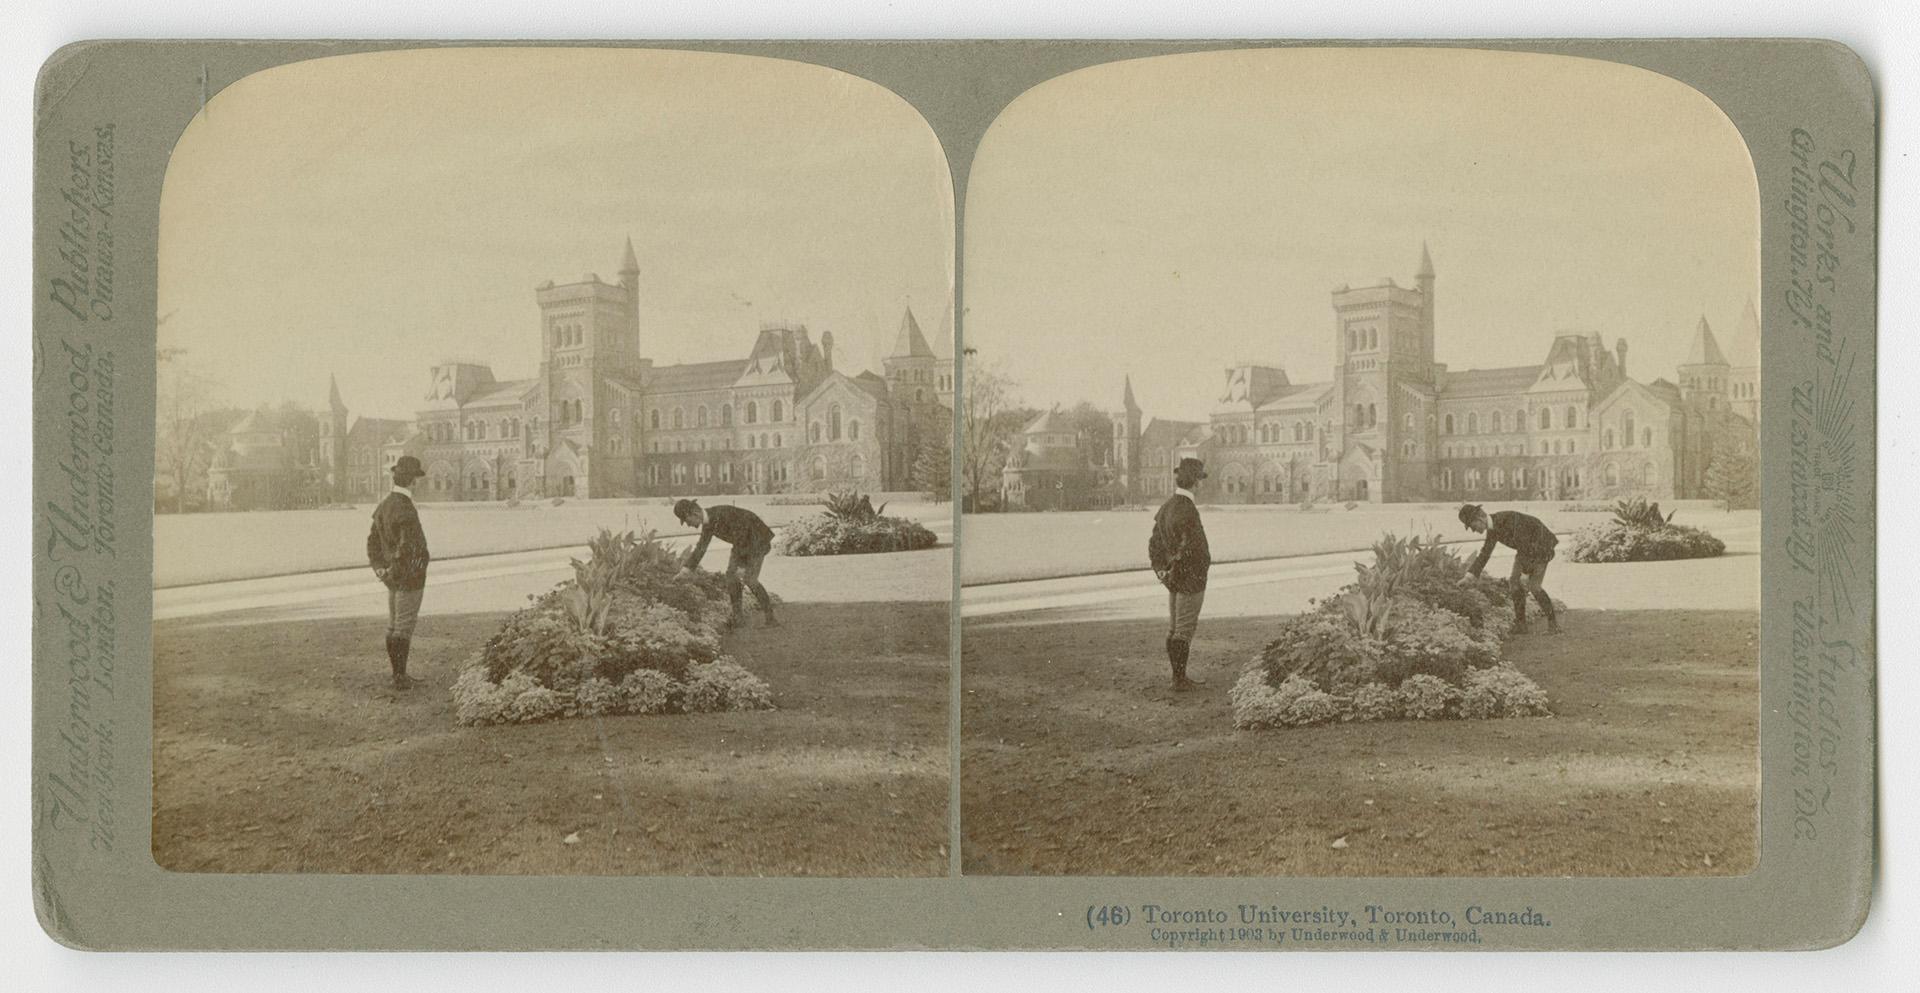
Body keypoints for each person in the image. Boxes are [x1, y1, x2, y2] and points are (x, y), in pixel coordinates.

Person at [366, 455, 432, 689]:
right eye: (417, 479)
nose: (419, 483)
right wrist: (395, 570)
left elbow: (372, 542)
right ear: (413, 481)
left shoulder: (384, 505)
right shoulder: (406, 508)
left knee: (394, 625)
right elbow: (408, 547)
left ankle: (398, 675)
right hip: (408, 577)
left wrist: (381, 569)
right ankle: (400, 676)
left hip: (391, 577)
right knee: (403, 626)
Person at [1148, 458, 1211, 691]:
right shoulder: (1187, 508)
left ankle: (1178, 677)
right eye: (1200, 480)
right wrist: (1187, 568)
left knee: (1174, 628)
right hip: (1190, 578)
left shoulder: (1167, 506)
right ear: (1196, 482)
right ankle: (1179, 679)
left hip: (1174, 578)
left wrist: (1163, 571)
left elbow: (1154, 544)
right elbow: (1192, 548)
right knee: (1184, 630)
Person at [673, 498, 778, 627]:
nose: (688, 525)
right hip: (742, 544)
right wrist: (686, 570)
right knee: (731, 578)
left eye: (686, 520)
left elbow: (743, 535)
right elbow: (701, 547)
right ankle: (738, 619)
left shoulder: (722, 514)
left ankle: (770, 618)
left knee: (750, 579)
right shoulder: (708, 522)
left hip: (757, 542)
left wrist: (741, 565)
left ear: (694, 513)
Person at [1459, 503, 1561, 634]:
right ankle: (1521, 625)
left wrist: (1525, 572)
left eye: (1473, 526)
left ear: (1479, 518)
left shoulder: (1507, 519)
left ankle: (1553, 625)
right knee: (1514, 583)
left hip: (1542, 547)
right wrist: (1469, 576)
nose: (1475, 530)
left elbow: (1526, 544)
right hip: (1525, 550)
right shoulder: (1492, 528)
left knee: (1534, 586)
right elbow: (1485, 553)